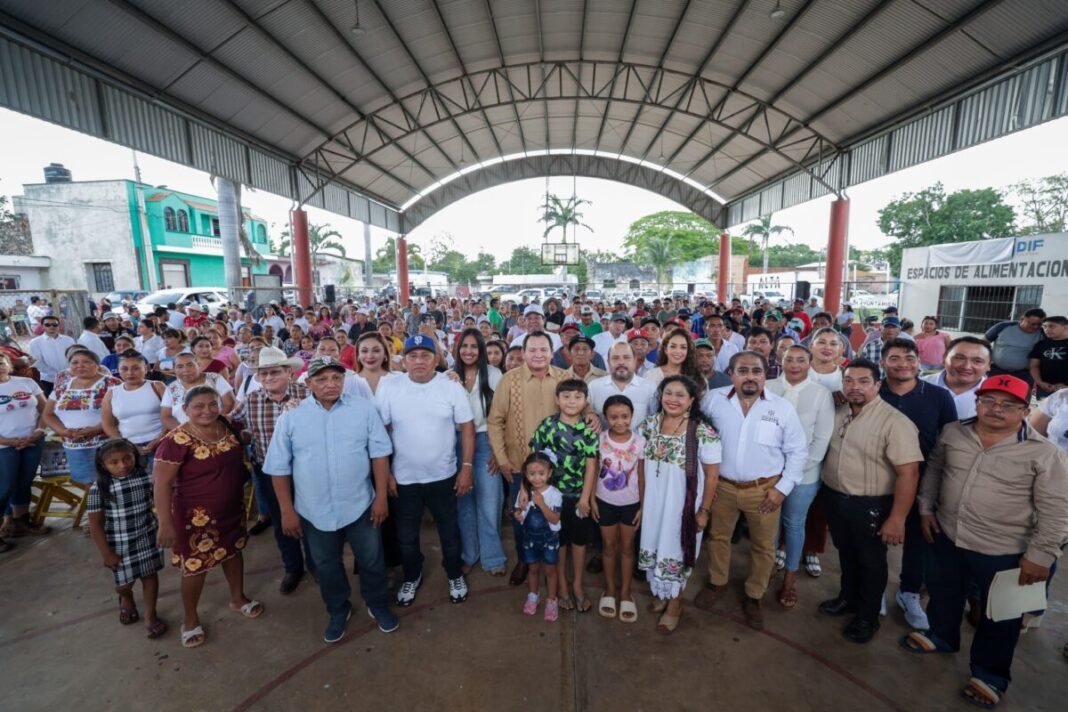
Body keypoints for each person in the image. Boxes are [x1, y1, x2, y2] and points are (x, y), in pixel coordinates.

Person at [907, 375, 1068, 708]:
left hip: (1007, 550)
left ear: (1025, 410)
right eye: (989, 401)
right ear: (977, 403)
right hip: (948, 534)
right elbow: (935, 470)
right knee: (943, 592)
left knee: (1003, 616)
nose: (996, 409)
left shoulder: (1046, 454)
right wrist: (925, 508)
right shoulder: (954, 432)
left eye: (1008, 404)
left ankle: (990, 675)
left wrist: (1041, 556)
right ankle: (941, 636)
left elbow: (1057, 510)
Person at [264, 356, 399, 642]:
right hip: (314, 510)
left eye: (336, 378)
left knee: (372, 560)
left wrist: (381, 498)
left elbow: (379, 454)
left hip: (360, 504)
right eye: (322, 379)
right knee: (326, 565)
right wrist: (287, 511)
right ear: (309, 383)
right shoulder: (292, 416)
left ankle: (377, 603)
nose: (330, 384)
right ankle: (338, 609)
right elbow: (278, 468)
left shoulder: (363, 410)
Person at [696, 351, 808, 630]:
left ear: (765, 375)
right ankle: (717, 582)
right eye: (743, 370)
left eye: (756, 371)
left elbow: (797, 452)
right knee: (719, 538)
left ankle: (754, 594)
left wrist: (782, 489)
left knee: (763, 546)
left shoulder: (781, 408)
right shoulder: (712, 400)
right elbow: (696, 436)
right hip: (722, 487)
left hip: (765, 491)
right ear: (731, 373)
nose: (750, 376)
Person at [819, 359, 923, 644]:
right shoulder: (839, 411)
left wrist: (897, 518)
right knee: (846, 552)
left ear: (878, 385)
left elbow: (909, 473)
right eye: (849, 381)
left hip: (871, 504)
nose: (855, 387)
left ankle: (867, 617)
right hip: (836, 497)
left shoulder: (895, 422)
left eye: (864, 381)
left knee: (871, 560)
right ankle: (847, 598)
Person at [154, 386, 263, 649]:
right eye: (199, 406)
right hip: (194, 517)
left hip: (230, 510)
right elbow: (161, 484)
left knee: (233, 551)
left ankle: (238, 598)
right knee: (195, 565)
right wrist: (165, 524)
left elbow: (245, 439)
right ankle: (190, 620)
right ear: (186, 410)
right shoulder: (176, 441)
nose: (207, 411)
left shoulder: (226, 425)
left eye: (212, 405)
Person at [376, 334, 475, 607]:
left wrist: (466, 467)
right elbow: (380, 433)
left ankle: (454, 574)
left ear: (437, 359)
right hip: (405, 480)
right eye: (412, 356)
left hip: (444, 476)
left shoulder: (450, 385)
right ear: (403, 360)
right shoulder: (390, 386)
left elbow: (467, 427)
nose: (419, 361)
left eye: (425, 356)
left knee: (450, 532)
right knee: (406, 535)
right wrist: (388, 475)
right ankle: (412, 575)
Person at [487, 331, 580, 586]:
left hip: (559, 469)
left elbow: (583, 406)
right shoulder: (509, 380)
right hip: (520, 467)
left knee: (556, 516)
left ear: (552, 352)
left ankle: (554, 561)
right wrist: (502, 459)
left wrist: (592, 416)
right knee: (523, 518)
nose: (538, 354)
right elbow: (495, 421)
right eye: (532, 350)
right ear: (524, 352)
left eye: (543, 350)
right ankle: (525, 560)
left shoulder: (565, 377)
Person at [878, 338, 958, 630]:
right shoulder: (873, 391)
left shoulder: (938, 396)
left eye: (909, 358)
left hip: (921, 482)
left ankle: (908, 592)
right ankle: (874, 591)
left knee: (918, 542)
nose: (903, 364)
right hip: (876, 481)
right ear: (883, 362)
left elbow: (948, 440)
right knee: (875, 540)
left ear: (919, 362)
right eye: (895, 358)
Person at [639, 375, 721, 634]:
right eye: (668, 393)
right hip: (654, 504)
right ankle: (662, 593)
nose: (673, 399)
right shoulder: (649, 425)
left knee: (677, 552)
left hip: (681, 507)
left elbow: (712, 476)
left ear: (691, 401)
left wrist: (704, 511)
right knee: (655, 547)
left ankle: (676, 603)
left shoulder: (702, 431)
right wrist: (642, 503)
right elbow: (640, 466)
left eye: (680, 395)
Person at [241, 346, 316, 594]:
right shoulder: (251, 400)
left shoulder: (307, 396)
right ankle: (293, 568)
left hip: (305, 471)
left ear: (288, 373)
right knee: (283, 522)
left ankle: (317, 565)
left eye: (275, 372)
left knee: (311, 521)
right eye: (264, 374)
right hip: (269, 473)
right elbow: (235, 426)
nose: (269, 378)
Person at [766, 345, 834, 610]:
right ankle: (766, 569)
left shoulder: (821, 394)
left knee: (794, 524)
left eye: (801, 360)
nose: (794, 365)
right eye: (789, 359)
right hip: (768, 472)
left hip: (804, 474)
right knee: (768, 524)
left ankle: (790, 579)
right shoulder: (769, 387)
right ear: (780, 361)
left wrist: (792, 472)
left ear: (810, 362)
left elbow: (821, 439)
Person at [528, 379, 599, 613]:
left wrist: (585, 498)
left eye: (577, 397)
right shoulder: (547, 426)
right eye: (566, 396)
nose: (571, 401)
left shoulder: (589, 429)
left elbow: (591, 466)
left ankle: (577, 585)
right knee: (559, 541)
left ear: (585, 401)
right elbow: (534, 461)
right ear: (557, 400)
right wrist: (527, 492)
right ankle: (562, 587)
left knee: (579, 541)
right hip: (551, 498)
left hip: (578, 496)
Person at [86, 439, 166, 639]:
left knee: (150, 574)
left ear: (135, 457)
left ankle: (150, 613)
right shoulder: (99, 488)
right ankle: (126, 597)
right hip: (119, 543)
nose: (122, 465)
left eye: (127, 458)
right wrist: (106, 552)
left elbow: (161, 499)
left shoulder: (146, 478)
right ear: (103, 465)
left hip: (147, 534)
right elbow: (95, 524)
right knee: (123, 583)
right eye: (114, 462)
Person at [452, 328, 508, 576]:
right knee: (463, 502)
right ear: (458, 349)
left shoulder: (495, 375)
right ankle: (469, 554)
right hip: (455, 442)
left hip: (486, 439)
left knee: (489, 500)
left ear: (482, 350)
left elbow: (502, 416)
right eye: (465, 346)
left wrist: (498, 450)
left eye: (474, 346)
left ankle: (493, 556)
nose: (469, 351)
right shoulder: (448, 377)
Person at [592, 395, 644, 623]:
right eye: (613, 417)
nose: (619, 421)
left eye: (624, 416)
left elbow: (642, 476)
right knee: (609, 547)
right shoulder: (599, 439)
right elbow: (593, 471)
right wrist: (592, 500)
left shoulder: (640, 442)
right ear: (606, 418)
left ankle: (626, 593)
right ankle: (610, 590)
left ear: (632, 416)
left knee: (627, 548)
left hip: (631, 505)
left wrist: (643, 505)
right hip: (605, 503)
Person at [41, 349, 121, 487]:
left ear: (97, 364)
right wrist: (63, 431)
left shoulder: (112, 383)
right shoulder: (62, 386)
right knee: (88, 483)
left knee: (113, 481)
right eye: (75, 363)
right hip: (74, 445)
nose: (80, 366)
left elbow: (122, 411)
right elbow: (47, 414)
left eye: (86, 362)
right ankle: (96, 507)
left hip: (107, 442)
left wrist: (97, 429)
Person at [0, 351, 48, 545]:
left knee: (24, 482)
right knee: (5, 486)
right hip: (4, 446)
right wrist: (10, 442)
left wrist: (39, 431)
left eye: (2, 361)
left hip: (32, 440)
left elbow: (45, 409)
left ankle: (21, 522)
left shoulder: (27, 383)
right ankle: (5, 523)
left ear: (9, 365)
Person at [514, 452, 563, 621]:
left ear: (549, 473)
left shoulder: (554, 494)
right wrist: (518, 515)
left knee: (550, 570)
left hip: (549, 539)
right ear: (526, 475)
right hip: (530, 539)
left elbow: (555, 518)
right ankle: (533, 595)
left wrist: (541, 504)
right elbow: (519, 510)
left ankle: (551, 600)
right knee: (533, 568)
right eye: (532, 474)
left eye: (541, 474)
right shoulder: (525, 493)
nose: (536, 478)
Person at [101, 351, 165, 473]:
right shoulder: (112, 393)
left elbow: (171, 416)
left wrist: (160, 439)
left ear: (145, 368)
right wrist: (127, 445)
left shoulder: (157, 386)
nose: (130, 373)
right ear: (118, 370)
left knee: (163, 484)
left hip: (161, 444)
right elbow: (108, 424)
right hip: (129, 449)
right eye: (124, 369)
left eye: (136, 368)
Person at [922, 336, 992, 420]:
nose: (967, 367)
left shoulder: (996, 395)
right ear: (944, 358)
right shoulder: (919, 385)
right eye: (959, 358)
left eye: (977, 361)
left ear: (989, 366)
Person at [589, 342, 657, 427]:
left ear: (635, 360)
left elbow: (656, 421)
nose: (621, 362)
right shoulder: (594, 387)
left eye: (626, 358)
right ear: (608, 362)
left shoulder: (650, 388)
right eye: (615, 358)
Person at [985, 308, 1046, 386]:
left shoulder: (1042, 333)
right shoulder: (1003, 327)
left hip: (1024, 374)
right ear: (1022, 319)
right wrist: (986, 360)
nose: (1035, 327)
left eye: (1039, 324)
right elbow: (984, 342)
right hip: (996, 371)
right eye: (1032, 324)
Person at [28, 314, 75, 396]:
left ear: (58, 326)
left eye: (54, 324)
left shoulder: (69, 340)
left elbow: (74, 357)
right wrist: (58, 374)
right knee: (52, 403)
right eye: (47, 325)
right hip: (49, 380)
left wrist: (68, 372)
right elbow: (37, 362)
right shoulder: (35, 342)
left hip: (70, 377)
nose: (51, 327)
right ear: (42, 326)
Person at [1029, 315, 1068, 399]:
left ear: (1065, 327)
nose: (1047, 329)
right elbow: (1034, 366)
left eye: (1051, 326)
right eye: (1045, 326)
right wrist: (1040, 383)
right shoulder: (1041, 344)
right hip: (1044, 389)